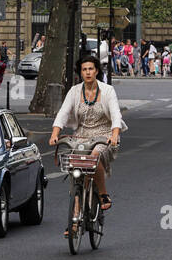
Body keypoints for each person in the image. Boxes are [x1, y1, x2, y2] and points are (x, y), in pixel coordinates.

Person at [50, 54, 125, 219]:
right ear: (80, 73)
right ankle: (75, 217)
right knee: (75, 169)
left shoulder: (107, 90)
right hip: (81, 136)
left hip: (104, 135)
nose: (88, 72)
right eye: (84, 70)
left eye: (91, 69)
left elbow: (115, 114)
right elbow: (63, 113)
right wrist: (55, 133)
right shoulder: (75, 91)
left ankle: (103, 193)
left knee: (94, 157)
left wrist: (114, 135)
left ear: (96, 71)